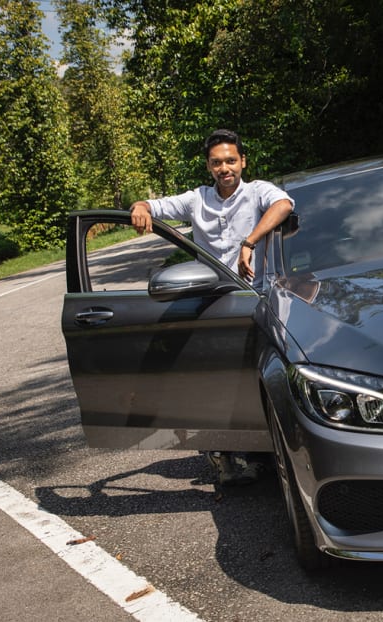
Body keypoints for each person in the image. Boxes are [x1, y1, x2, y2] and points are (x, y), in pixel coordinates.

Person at [129, 129, 294, 485]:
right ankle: (223, 452)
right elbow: (152, 207)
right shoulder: (196, 200)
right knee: (215, 380)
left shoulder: (257, 192)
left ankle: (264, 450)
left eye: (230, 160)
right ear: (208, 166)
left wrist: (249, 242)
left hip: (256, 301)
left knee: (262, 378)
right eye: (217, 162)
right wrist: (140, 208)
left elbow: (284, 205)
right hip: (211, 304)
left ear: (242, 162)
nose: (224, 168)